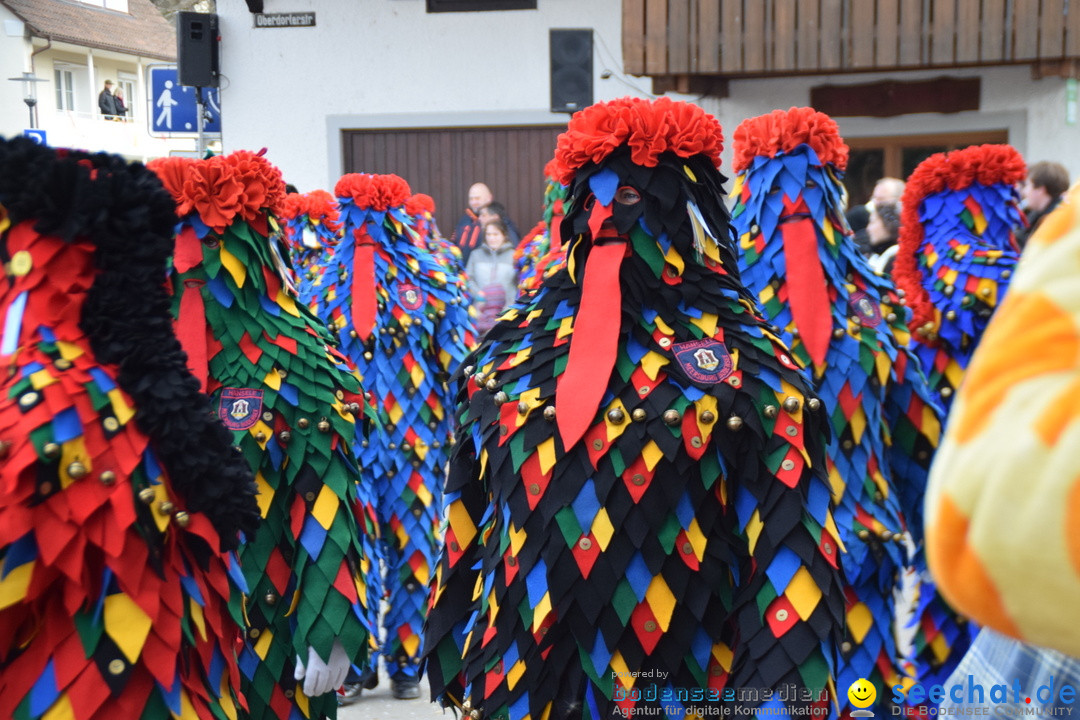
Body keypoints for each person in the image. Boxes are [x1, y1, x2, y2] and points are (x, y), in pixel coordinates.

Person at [423, 96, 844, 720]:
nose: (610, 219)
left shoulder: (752, 365)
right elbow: (467, 509)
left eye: (634, 197)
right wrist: (449, 633)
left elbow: (790, 546)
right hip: (527, 676)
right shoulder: (506, 355)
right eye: (597, 199)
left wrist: (784, 698)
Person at [730, 107, 941, 715]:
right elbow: (913, 438)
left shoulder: (720, 303)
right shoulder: (870, 304)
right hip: (773, 550)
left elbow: (910, 429)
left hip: (830, 548)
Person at [465, 219, 518, 335]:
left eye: (495, 234)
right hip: (479, 313)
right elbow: (468, 279)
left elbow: (515, 285)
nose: (491, 238)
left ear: (504, 235)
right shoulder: (476, 255)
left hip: (504, 314)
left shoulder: (513, 256)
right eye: (488, 234)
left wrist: (507, 310)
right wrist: (477, 294)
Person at [1016, 160, 1069, 247]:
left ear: (1040, 190)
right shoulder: (1037, 215)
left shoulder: (1054, 222)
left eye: (1028, 185)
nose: (1025, 192)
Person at [451, 181, 493, 261]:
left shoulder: (497, 220)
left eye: (477, 198)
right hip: (462, 271)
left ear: (489, 198)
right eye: (471, 199)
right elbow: (454, 244)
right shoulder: (463, 220)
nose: (474, 202)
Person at [866, 200, 901, 275]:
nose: (868, 229)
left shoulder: (897, 258)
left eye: (872, 222)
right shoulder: (874, 257)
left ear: (888, 223)